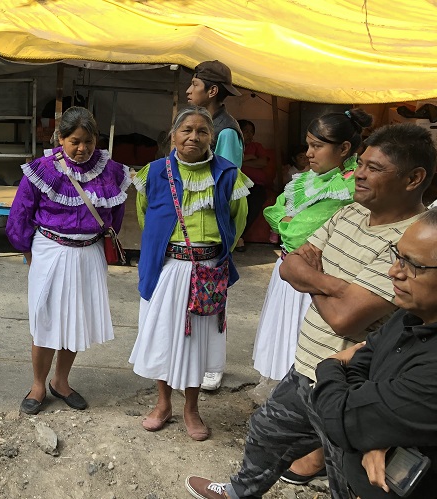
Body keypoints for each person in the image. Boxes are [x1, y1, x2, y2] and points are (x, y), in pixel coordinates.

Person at [185, 122, 435, 499]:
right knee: (265, 435)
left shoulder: (417, 243)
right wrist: (335, 285)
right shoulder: (349, 213)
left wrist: (313, 275)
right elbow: (288, 266)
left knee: (347, 477)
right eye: (360, 164)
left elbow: (344, 318)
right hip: (307, 367)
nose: (359, 175)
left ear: (414, 178)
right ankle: (237, 492)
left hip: (353, 385)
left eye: (374, 168)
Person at [250, 109, 372, 485]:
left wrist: (316, 272)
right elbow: (291, 226)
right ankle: (302, 435)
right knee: (292, 353)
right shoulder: (308, 182)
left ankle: (318, 453)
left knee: (320, 362)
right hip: (293, 275)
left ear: (345, 148)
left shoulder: (353, 187)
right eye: (308, 145)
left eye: (318, 146)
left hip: (323, 284)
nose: (309, 154)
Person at [129, 106, 251, 441]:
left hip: (207, 273)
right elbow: (146, 218)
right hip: (166, 268)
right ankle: (163, 404)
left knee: (198, 342)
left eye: (201, 131)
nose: (193, 137)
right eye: (186, 130)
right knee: (164, 336)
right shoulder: (154, 173)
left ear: (212, 136)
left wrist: (208, 255)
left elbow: (237, 221)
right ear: (173, 135)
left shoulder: (227, 175)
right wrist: (167, 252)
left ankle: (192, 409)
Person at [6, 106, 130, 415]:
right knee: (45, 318)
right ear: (61, 138)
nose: (82, 148)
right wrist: (28, 253)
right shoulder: (43, 170)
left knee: (76, 317)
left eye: (88, 141)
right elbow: (20, 214)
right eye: (75, 140)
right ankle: (38, 384)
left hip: (89, 253)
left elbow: (115, 214)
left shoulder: (110, 170)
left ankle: (61, 381)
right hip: (49, 250)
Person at [312, 211, 437, 499]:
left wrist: (330, 365)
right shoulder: (410, 314)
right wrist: (373, 429)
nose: (394, 271)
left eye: (413, 265)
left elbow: (339, 416)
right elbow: (361, 362)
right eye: (398, 256)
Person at [186, 60, 245, 390]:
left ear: (211, 91)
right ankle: (194, 361)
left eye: (194, 84)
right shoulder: (200, 124)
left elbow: (229, 184)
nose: (188, 90)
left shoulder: (225, 131)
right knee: (195, 299)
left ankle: (213, 366)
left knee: (212, 298)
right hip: (191, 228)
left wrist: (224, 236)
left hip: (212, 228)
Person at [236, 119, 269, 252]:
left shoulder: (257, 146)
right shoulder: (235, 146)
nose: (249, 135)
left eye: (251, 132)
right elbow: (233, 162)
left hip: (256, 185)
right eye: (245, 131)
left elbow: (263, 163)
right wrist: (249, 157)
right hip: (238, 184)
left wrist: (243, 160)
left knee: (255, 202)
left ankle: (239, 236)